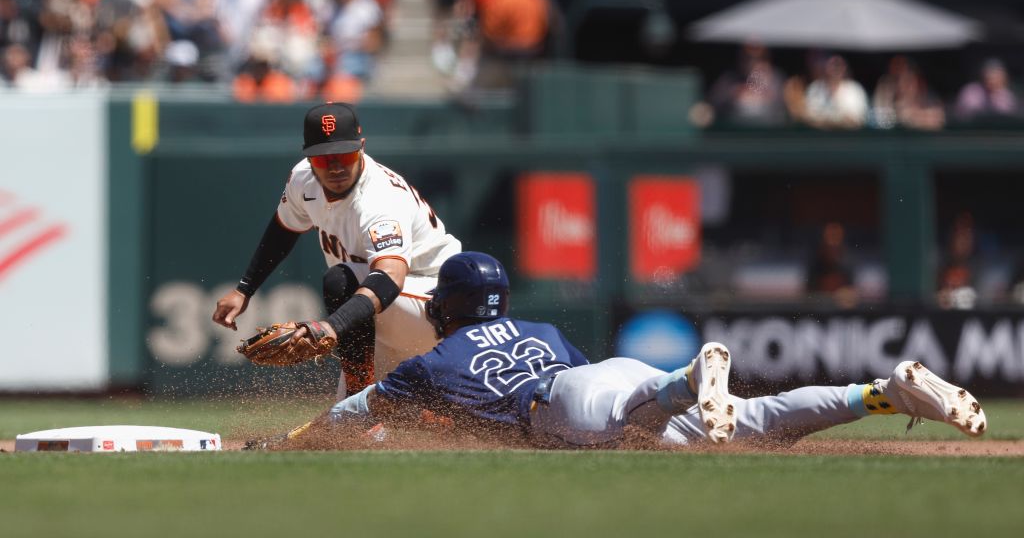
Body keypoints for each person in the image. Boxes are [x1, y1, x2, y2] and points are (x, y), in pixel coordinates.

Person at [258, 251, 987, 450]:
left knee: (633, 416)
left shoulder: (429, 362)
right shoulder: (537, 329)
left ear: (441, 308)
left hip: (569, 405)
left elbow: (358, 407)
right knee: (755, 420)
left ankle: (689, 376)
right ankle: (883, 392)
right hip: (605, 373)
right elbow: (584, 374)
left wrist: (298, 439)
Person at [212, 102, 463, 399]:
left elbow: (389, 277)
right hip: (382, 309)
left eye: (344, 155)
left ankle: (360, 397)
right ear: (308, 156)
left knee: (341, 281)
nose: (335, 167)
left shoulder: (379, 198)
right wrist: (245, 289)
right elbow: (283, 229)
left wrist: (332, 327)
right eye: (323, 159)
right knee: (355, 421)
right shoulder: (303, 179)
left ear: (362, 147)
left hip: (441, 308)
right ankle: (376, 410)